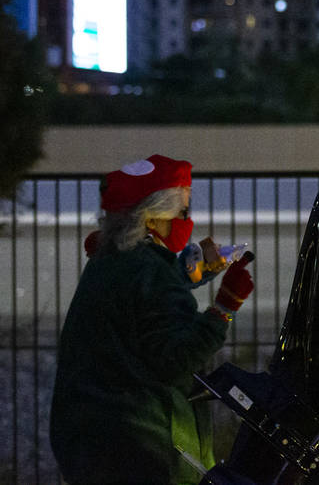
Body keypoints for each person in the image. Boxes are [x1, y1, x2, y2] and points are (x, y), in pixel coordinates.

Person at [50, 154, 255, 485]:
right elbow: (176, 359)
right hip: (142, 447)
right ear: (151, 218)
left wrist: (192, 271)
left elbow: (138, 299)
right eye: (182, 212)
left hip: (92, 440)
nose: (187, 221)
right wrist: (224, 307)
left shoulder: (110, 260)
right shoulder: (147, 270)